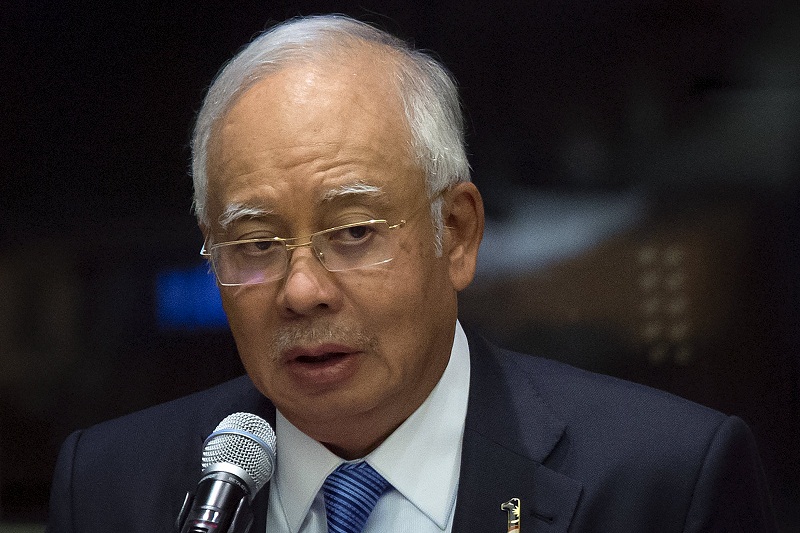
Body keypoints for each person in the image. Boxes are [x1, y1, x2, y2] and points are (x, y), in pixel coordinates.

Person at [46, 14, 776, 533]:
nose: (303, 290)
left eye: (354, 232)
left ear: (454, 234)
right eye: (256, 244)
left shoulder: (663, 482)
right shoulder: (111, 487)